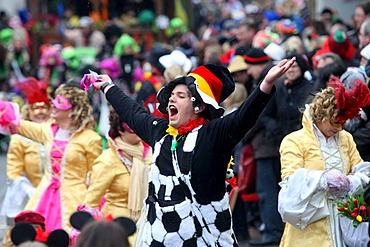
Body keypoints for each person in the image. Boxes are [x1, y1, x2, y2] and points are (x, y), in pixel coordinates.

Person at [91, 57, 295, 246]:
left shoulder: (213, 135)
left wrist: (266, 85)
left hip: (206, 238)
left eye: (180, 96)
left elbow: (243, 117)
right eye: (171, 96)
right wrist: (108, 87)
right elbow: (132, 112)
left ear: (198, 106)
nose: (171, 100)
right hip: (160, 238)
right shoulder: (159, 131)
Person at [278, 76, 370, 246]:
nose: (339, 128)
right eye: (335, 122)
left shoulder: (346, 138)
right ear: (321, 114)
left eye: (343, 123)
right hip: (309, 225)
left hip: (344, 224)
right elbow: (289, 181)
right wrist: (322, 180)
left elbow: (363, 171)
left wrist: (351, 182)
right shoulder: (294, 141)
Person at [0, 82, 102, 232]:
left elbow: (96, 177)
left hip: (75, 197)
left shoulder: (91, 139)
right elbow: (17, 124)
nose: (53, 105)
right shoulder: (47, 131)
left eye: (59, 102)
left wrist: (90, 205)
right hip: (44, 196)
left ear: (73, 110)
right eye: (55, 100)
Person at [83, 106, 152, 222]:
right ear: (120, 129)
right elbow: (91, 203)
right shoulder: (107, 160)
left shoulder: (151, 154)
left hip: (147, 223)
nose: (139, 129)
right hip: (117, 228)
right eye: (133, 126)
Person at [2, 77, 52, 223]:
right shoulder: (19, 137)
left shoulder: (57, 133)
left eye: (44, 107)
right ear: (28, 111)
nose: (40, 112)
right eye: (36, 108)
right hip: (29, 196)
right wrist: (28, 190)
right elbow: (13, 171)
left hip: (55, 195)